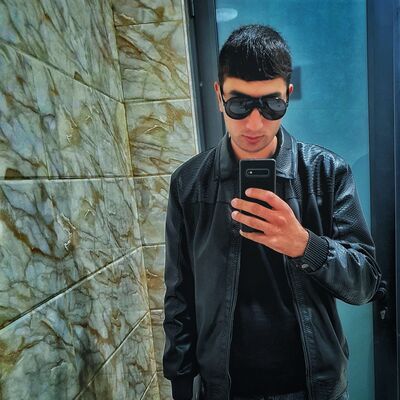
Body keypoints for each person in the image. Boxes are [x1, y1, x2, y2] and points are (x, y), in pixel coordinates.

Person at [162, 24, 381, 400]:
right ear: (218, 96)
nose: (254, 123)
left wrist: (305, 245)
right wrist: (181, 387)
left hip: (314, 389)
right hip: (225, 391)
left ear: (288, 95)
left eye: (271, 104)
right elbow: (179, 297)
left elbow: (366, 284)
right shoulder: (189, 184)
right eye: (239, 104)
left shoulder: (327, 173)